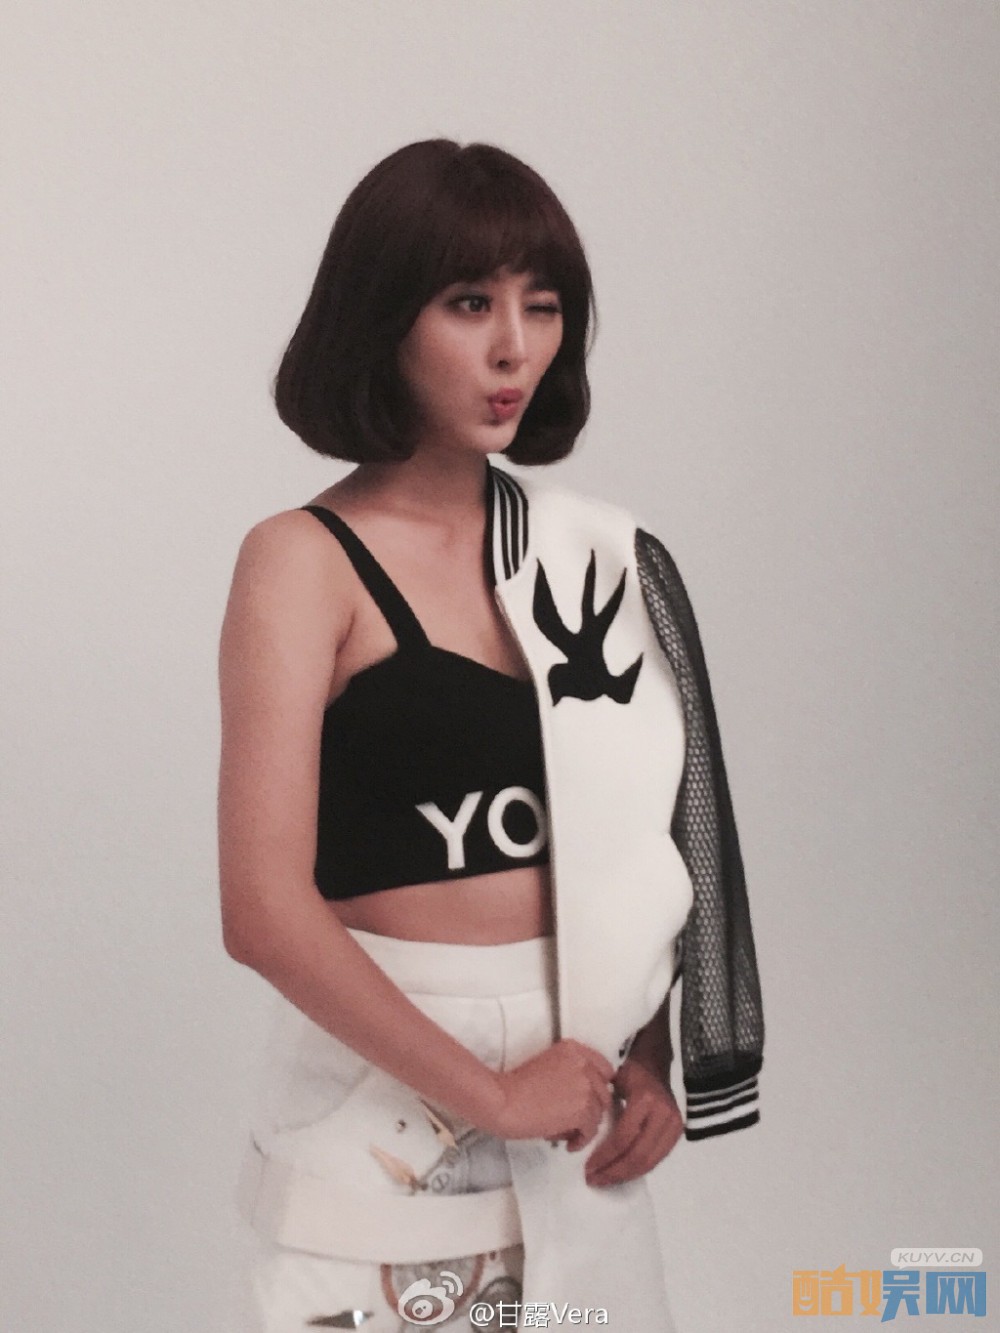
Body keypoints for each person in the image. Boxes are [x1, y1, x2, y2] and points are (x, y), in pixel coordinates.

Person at [218, 139, 764, 1333]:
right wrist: (493, 1094)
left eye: (543, 304)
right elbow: (260, 909)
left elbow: (642, 844)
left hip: (576, 1117)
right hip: (381, 1118)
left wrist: (651, 1058)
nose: (515, 346)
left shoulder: (601, 559)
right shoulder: (302, 563)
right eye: (470, 303)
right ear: (382, 316)